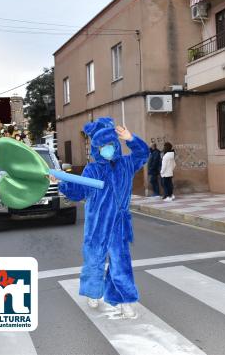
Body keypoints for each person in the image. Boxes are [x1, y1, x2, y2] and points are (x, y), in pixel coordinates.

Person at [56, 117, 149, 318]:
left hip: (119, 225)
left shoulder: (126, 164)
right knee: (93, 260)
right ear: (96, 148)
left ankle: (124, 301)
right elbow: (78, 192)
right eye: (102, 146)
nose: (107, 149)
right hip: (97, 224)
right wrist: (62, 183)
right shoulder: (93, 169)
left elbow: (143, 154)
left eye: (110, 145)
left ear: (115, 144)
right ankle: (92, 292)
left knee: (120, 263)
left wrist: (130, 138)